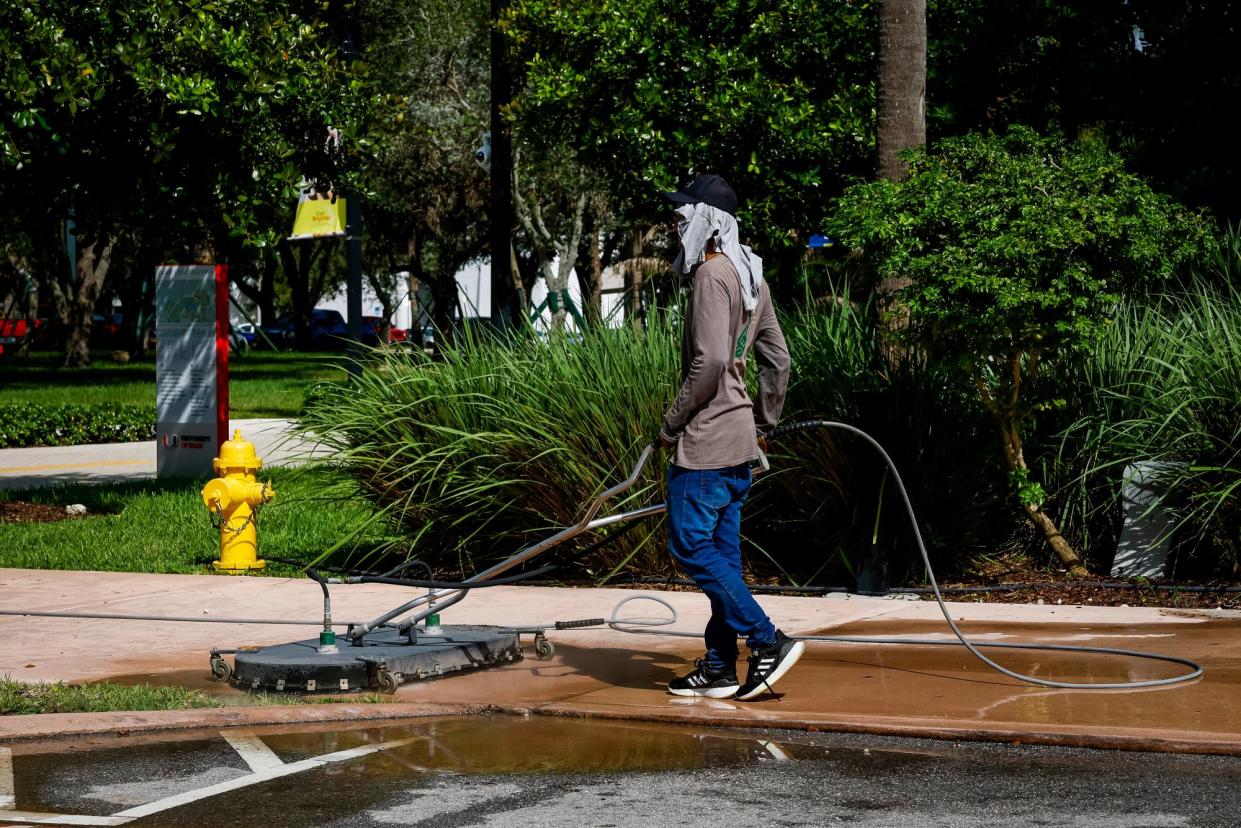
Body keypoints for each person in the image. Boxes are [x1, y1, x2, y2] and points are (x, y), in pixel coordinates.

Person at [656, 173, 803, 700]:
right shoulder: (751, 279)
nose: (676, 226)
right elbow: (778, 361)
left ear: (706, 222)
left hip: (706, 443)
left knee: (690, 545)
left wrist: (671, 423)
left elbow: (712, 360)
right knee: (722, 555)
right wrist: (765, 422)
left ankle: (768, 639)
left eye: (681, 217)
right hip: (739, 443)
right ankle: (720, 665)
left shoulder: (711, 275)